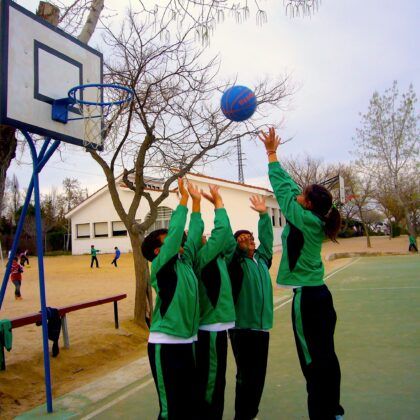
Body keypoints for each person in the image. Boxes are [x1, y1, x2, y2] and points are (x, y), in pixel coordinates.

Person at [260, 127, 344, 420]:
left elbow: (284, 191)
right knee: (326, 356)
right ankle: (333, 410)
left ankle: (322, 414)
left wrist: (271, 155)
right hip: (321, 295)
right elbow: (292, 188)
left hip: (307, 300)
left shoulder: (302, 218)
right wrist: (275, 157)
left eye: (303, 194)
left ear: (307, 204)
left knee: (312, 362)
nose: (298, 194)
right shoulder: (314, 217)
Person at [141, 178, 204, 420]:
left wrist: (197, 203)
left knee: (189, 405)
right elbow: (178, 231)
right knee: (171, 411)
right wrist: (183, 201)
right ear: (159, 251)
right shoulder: (161, 265)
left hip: (187, 342)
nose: (177, 239)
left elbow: (194, 233)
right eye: (168, 238)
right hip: (164, 344)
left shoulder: (184, 262)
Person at [228, 194, 274, 420]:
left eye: (250, 237)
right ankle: (242, 416)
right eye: (242, 238)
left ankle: (251, 414)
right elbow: (229, 248)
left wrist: (264, 215)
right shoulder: (235, 264)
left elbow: (266, 239)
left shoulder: (262, 260)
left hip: (262, 328)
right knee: (245, 376)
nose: (248, 240)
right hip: (242, 329)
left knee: (258, 377)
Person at [194, 185, 236, 420]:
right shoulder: (201, 257)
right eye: (199, 235)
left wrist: (220, 208)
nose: (204, 236)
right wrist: (217, 203)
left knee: (217, 380)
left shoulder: (217, 258)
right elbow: (219, 235)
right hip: (209, 328)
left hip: (217, 328)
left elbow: (227, 239)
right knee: (211, 383)